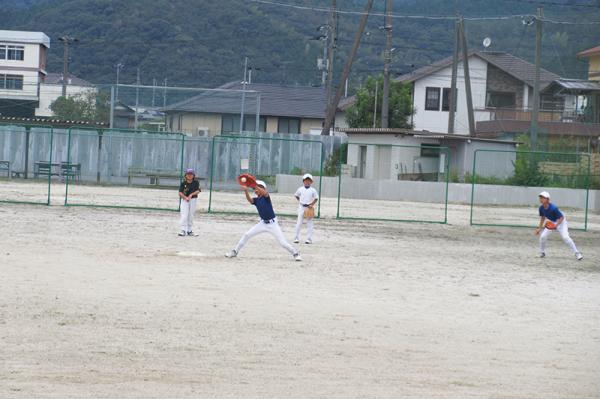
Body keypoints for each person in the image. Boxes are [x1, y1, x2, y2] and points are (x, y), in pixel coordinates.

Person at [225, 180, 302, 261]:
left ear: (264, 189)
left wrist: (255, 186)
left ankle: (295, 253)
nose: (256, 190)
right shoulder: (256, 200)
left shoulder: (266, 197)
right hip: (262, 223)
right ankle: (235, 251)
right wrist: (246, 190)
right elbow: (250, 200)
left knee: (282, 242)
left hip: (273, 224)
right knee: (247, 235)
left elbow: (264, 193)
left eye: (259, 188)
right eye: (255, 189)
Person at [535, 191, 583, 260]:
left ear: (548, 199)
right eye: (540, 197)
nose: (541, 199)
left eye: (543, 198)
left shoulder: (553, 208)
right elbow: (543, 217)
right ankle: (542, 253)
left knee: (566, 237)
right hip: (552, 222)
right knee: (543, 237)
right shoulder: (541, 208)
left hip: (561, 222)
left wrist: (556, 225)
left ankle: (577, 253)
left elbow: (561, 218)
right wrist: (539, 228)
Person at [293, 173, 319, 244]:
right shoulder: (300, 189)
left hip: (309, 208)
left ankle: (309, 239)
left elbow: (316, 198)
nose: (307, 182)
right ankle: (296, 238)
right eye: (305, 180)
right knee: (299, 223)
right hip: (301, 207)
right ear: (303, 181)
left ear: (311, 182)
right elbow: (296, 195)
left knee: (309, 224)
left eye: (309, 180)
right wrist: (300, 201)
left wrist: (312, 204)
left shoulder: (313, 190)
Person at [178, 168, 201, 237]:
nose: (190, 175)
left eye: (191, 174)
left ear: (193, 175)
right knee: (184, 215)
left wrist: (191, 195)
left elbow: (198, 190)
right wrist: (185, 197)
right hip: (185, 200)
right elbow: (180, 192)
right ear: (186, 175)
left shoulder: (196, 182)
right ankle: (183, 230)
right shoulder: (183, 183)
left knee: (191, 215)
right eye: (188, 174)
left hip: (193, 200)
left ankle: (189, 230)